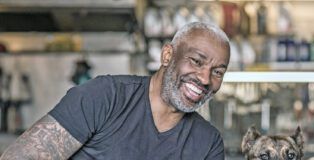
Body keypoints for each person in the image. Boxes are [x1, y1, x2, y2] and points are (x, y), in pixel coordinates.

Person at [1, 22, 230, 160]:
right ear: (167, 55)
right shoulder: (104, 96)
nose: (205, 79)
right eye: (197, 61)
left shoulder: (207, 143)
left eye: (218, 72)